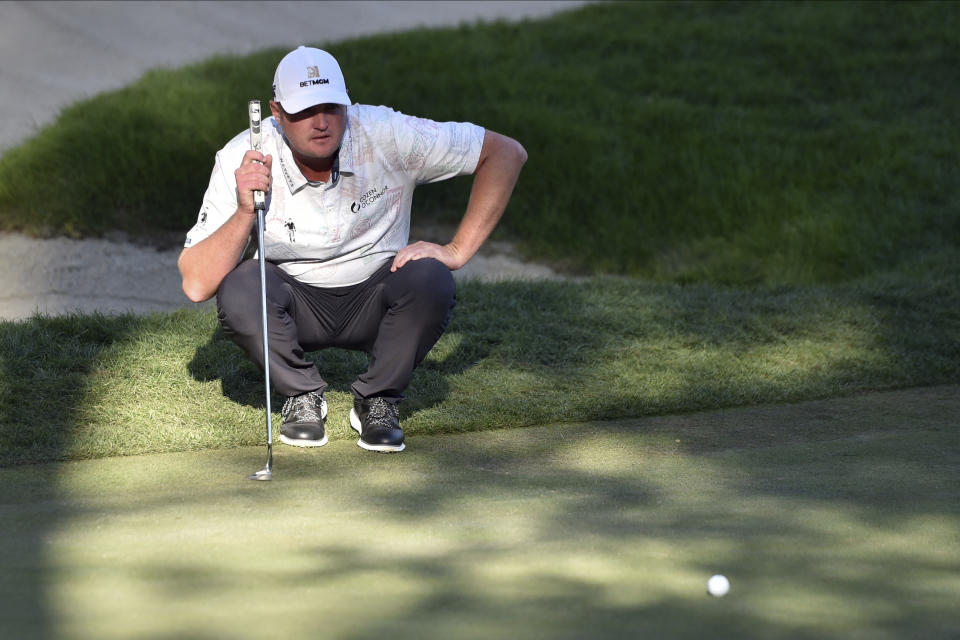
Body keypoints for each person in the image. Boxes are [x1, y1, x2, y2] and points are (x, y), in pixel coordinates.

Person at [178, 46, 527, 453]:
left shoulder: (386, 132)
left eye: (332, 106)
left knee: (432, 277)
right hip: (293, 302)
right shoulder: (243, 155)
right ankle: (302, 395)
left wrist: (457, 250)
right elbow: (197, 284)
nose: (322, 122)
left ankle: (378, 400)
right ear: (276, 112)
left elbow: (505, 153)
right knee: (240, 288)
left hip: (377, 296)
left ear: (348, 102)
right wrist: (243, 210)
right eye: (305, 110)